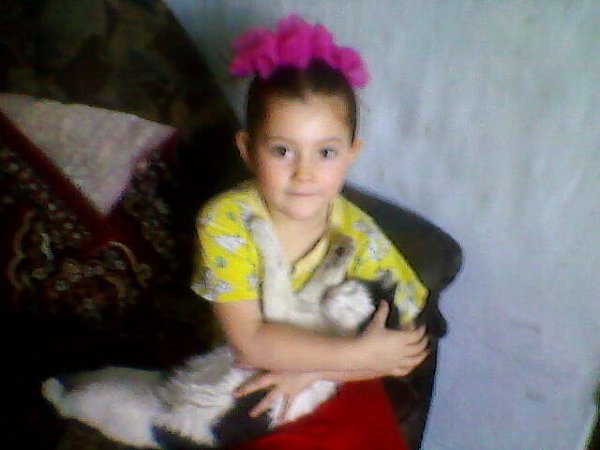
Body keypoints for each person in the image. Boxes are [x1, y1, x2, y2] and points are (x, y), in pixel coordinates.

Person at [192, 14, 430, 449]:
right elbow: (250, 344)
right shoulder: (226, 221)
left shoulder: (358, 233)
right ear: (248, 150)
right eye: (283, 151)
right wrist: (358, 354)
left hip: (336, 378)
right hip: (241, 380)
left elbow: (408, 344)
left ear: (351, 154)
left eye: (326, 153)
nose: (304, 174)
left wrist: (317, 371)